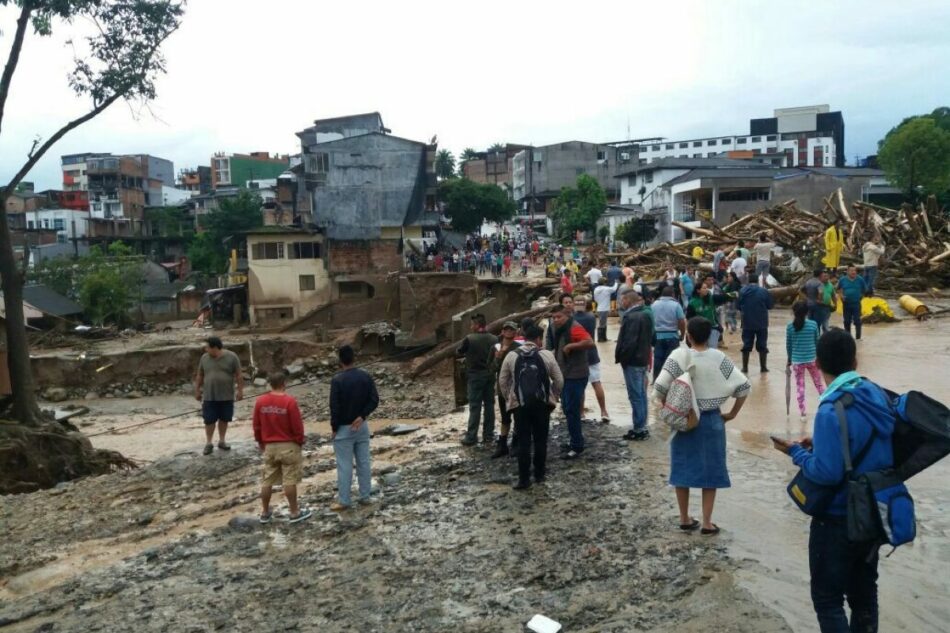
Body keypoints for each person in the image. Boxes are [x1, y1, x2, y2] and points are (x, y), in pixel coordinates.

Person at [771, 329, 896, 632]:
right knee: (864, 596)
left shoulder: (829, 409)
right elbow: (865, 441)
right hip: (873, 511)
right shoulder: (875, 394)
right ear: (855, 360)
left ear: (817, 362)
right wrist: (821, 442)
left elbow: (828, 473)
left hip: (838, 518)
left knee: (828, 599)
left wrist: (797, 454)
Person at [654, 317, 750, 535]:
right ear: (710, 336)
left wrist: (670, 409)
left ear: (688, 335)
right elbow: (744, 386)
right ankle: (707, 522)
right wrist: (732, 414)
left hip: (684, 421)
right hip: (712, 420)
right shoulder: (719, 358)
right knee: (711, 471)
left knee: (681, 469)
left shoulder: (678, 355)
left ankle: (684, 518)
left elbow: (659, 387)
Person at [498, 323, 563, 489]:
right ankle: (540, 475)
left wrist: (511, 398)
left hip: (520, 405)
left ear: (524, 338)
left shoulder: (512, 355)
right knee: (541, 440)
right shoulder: (547, 355)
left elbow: (502, 381)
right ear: (539, 339)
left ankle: (524, 479)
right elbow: (559, 380)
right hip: (542, 404)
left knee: (524, 441)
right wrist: (553, 397)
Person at [253, 372, 311, 523]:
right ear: (284, 383)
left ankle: (265, 513)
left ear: (270, 384)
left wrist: (260, 442)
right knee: (289, 479)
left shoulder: (260, 401)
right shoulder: (289, 401)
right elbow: (297, 426)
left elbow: (257, 426)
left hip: (269, 446)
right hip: (288, 445)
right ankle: (294, 512)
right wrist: (299, 441)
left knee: (267, 480)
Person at [328, 345, 379, 511]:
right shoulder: (365, 376)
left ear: (340, 361)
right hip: (362, 426)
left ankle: (344, 500)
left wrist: (334, 427)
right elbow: (374, 400)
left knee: (344, 466)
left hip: (343, 428)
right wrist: (362, 416)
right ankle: (365, 496)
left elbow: (334, 407)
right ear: (353, 358)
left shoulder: (337, 380)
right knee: (364, 463)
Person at [547, 304, 594, 459]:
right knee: (567, 409)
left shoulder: (574, 327)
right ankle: (575, 440)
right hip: (565, 374)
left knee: (572, 411)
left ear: (567, 315)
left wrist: (572, 345)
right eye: (553, 318)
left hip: (576, 375)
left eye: (559, 317)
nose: (556, 320)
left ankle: (577, 446)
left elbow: (589, 342)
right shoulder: (556, 329)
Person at [615, 288, 654, 441]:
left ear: (628, 301)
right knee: (641, 394)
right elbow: (651, 337)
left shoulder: (630, 317)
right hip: (643, 359)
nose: (620, 302)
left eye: (622, 300)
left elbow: (629, 342)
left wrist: (623, 358)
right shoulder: (646, 314)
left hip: (633, 361)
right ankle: (642, 425)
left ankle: (639, 428)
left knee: (635, 395)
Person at [194, 336, 243, 456]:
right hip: (209, 396)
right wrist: (197, 390)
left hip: (226, 395)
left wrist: (240, 391)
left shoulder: (232, 357)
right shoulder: (204, 358)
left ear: (215, 347)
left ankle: (222, 441)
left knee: (224, 418)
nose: (205, 349)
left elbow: (239, 375)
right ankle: (209, 443)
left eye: (207, 347)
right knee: (209, 420)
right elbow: (200, 375)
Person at [457, 314, 498, 446]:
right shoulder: (494, 338)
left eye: (471, 324)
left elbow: (459, 351)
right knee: (489, 405)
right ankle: (488, 435)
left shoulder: (469, 338)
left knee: (475, 406)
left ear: (476, 325)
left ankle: (471, 436)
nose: (470, 327)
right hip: (490, 375)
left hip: (475, 376)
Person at [573, 295, 610, 423]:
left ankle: (581, 413)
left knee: (580, 386)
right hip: (592, 354)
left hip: (578, 355)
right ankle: (604, 411)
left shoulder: (572, 319)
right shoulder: (591, 317)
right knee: (596, 383)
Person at [786, 301, 824, 420]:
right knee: (819, 384)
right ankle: (828, 406)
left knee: (800, 387)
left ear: (793, 312)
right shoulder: (813, 325)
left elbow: (789, 346)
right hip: (812, 359)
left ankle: (803, 413)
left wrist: (789, 360)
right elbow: (817, 342)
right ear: (807, 312)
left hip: (797, 362)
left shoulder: (790, 327)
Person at [491, 322, 521, 458]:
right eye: (506, 329)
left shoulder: (519, 349)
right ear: (502, 332)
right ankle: (502, 445)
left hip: (516, 388)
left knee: (518, 416)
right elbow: (490, 369)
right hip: (502, 388)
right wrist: (498, 358)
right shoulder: (495, 348)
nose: (509, 332)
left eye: (512, 330)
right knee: (504, 417)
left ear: (516, 332)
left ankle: (516, 443)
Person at [737, 276, 774, 373]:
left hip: (747, 322)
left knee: (746, 344)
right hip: (761, 323)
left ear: (748, 281)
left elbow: (738, 306)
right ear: (758, 281)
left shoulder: (742, 291)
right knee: (762, 344)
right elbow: (770, 306)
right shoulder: (764, 291)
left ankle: (745, 368)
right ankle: (763, 367)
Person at [651, 286, 687, 380]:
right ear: (673, 295)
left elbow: (651, 321)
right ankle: (670, 381)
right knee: (672, 361)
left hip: (658, 336)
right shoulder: (676, 305)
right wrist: (682, 334)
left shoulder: (654, 304)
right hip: (672, 336)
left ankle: (656, 380)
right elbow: (682, 321)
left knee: (658, 359)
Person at [686, 282, 731, 349]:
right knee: (701, 349)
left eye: (707, 288)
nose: (707, 289)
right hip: (699, 330)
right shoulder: (692, 303)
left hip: (713, 328)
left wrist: (734, 294)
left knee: (712, 349)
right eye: (704, 288)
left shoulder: (711, 298)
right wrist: (688, 333)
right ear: (698, 290)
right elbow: (689, 319)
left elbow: (723, 297)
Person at [837, 264, 868, 340]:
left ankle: (858, 338)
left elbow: (865, 290)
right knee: (847, 321)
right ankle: (848, 338)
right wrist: (841, 296)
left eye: (855, 270)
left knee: (857, 321)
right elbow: (838, 289)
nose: (853, 272)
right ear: (847, 271)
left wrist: (861, 296)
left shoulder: (860, 279)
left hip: (856, 304)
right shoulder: (842, 279)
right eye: (851, 270)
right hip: (846, 304)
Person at [803, 269, 834, 334]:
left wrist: (806, 298)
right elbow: (820, 292)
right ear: (820, 275)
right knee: (817, 324)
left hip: (809, 305)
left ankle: (811, 336)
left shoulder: (808, 282)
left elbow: (801, 290)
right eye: (823, 274)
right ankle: (817, 338)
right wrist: (820, 300)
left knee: (810, 322)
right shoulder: (819, 283)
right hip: (817, 306)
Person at [593, 277, 619, 342]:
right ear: (604, 283)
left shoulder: (596, 289)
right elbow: (614, 289)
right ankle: (601, 338)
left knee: (603, 323)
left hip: (599, 308)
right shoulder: (606, 289)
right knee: (602, 324)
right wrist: (616, 282)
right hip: (604, 309)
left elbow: (595, 299)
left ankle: (604, 338)